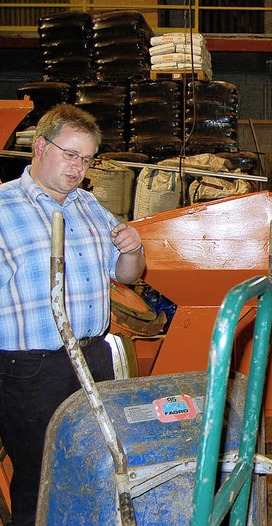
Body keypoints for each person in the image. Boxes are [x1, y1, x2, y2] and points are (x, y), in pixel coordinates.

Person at [0, 104, 145, 526]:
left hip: (92, 357)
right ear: (40, 147)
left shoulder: (88, 206)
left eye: (86, 159)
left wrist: (133, 249)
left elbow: (126, 277)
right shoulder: (4, 208)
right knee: (39, 475)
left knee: (94, 466)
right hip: (31, 369)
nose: (77, 167)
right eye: (69, 154)